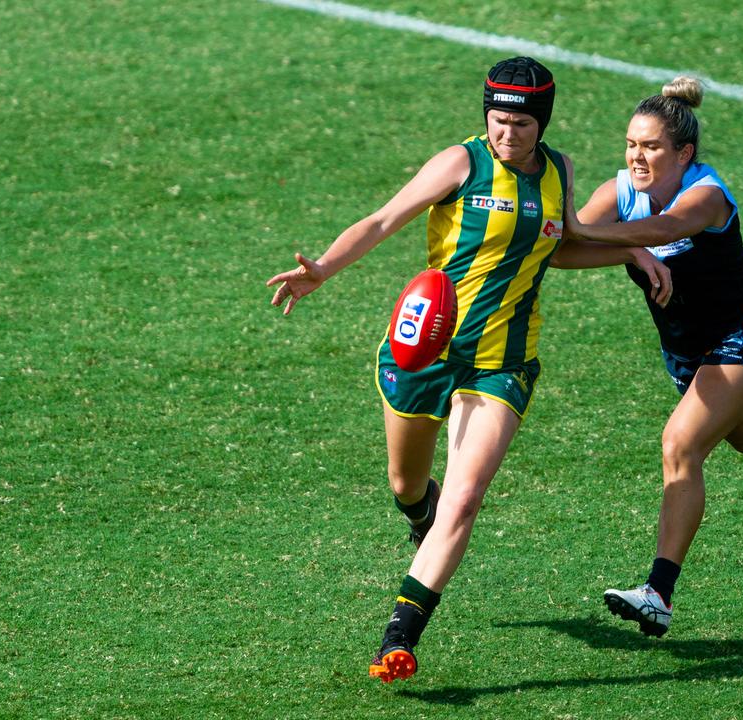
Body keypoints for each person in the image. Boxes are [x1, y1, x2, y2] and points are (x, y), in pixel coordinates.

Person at [266, 57, 671, 681]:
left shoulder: (559, 169)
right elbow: (382, 219)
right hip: (424, 350)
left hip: (502, 362)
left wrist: (632, 249)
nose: (508, 134)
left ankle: (398, 640)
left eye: (522, 124)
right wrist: (322, 268)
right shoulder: (461, 163)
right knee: (409, 487)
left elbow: (560, 244)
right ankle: (418, 519)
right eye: (499, 120)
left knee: (465, 500)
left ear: (544, 123)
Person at [561, 76, 743, 637]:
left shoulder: (706, 193)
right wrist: (635, 252)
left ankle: (658, 594)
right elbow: (562, 252)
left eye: (651, 146)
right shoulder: (620, 191)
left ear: (683, 153)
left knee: (680, 443)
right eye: (631, 144)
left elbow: (666, 225)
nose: (637, 157)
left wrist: (599, 230)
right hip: (686, 350)